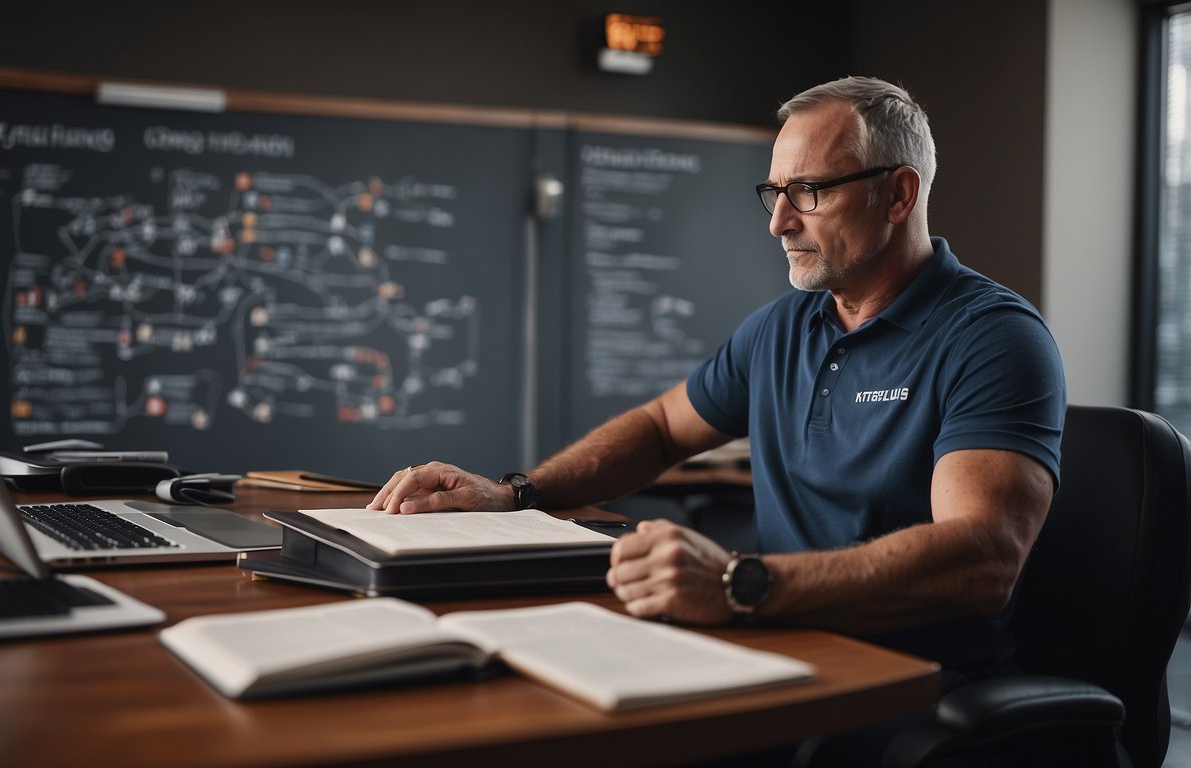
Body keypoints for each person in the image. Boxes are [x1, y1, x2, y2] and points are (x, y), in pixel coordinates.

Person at [368, 76, 1066, 762]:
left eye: (810, 192)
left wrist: (741, 583)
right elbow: (662, 428)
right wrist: (519, 494)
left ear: (899, 194)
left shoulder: (992, 337)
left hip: (908, 691)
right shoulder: (782, 329)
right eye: (774, 193)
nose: (779, 221)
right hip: (777, 648)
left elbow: (983, 558)